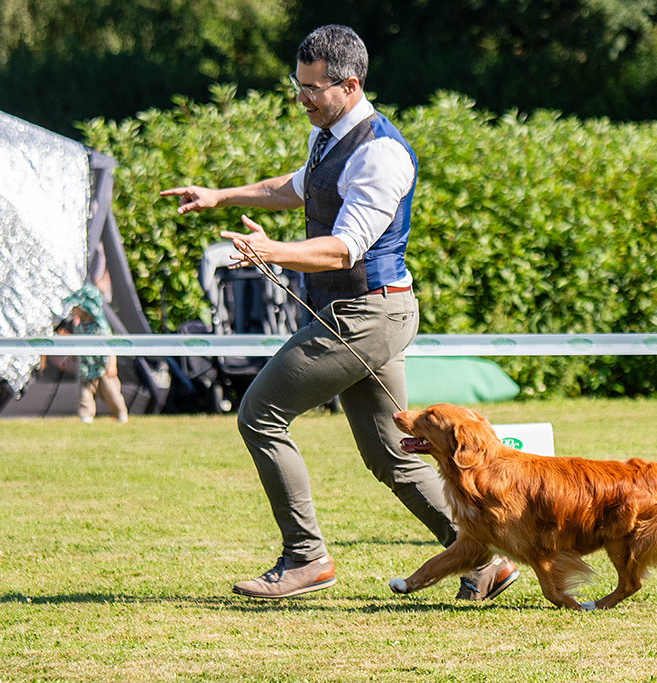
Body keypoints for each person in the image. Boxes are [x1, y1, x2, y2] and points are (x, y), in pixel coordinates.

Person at [160, 24, 517, 600]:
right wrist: (219, 196)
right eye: (297, 84)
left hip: (367, 317)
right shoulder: (328, 135)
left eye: (312, 88)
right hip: (360, 314)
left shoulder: (381, 154)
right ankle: (483, 560)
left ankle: (306, 558)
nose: (301, 97)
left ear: (349, 85)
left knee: (259, 414)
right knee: (392, 454)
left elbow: (345, 248)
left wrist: (272, 251)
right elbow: (297, 187)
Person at [62, 283, 129, 424]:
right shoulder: (79, 327)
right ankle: (86, 416)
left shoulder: (100, 326)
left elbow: (110, 346)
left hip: (102, 369)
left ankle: (120, 414)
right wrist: (68, 358)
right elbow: (77, 345)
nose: (73, 310)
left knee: (111, 393)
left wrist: (112, 364)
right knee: (84, 393)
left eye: (76, 306)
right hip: (86, 369)